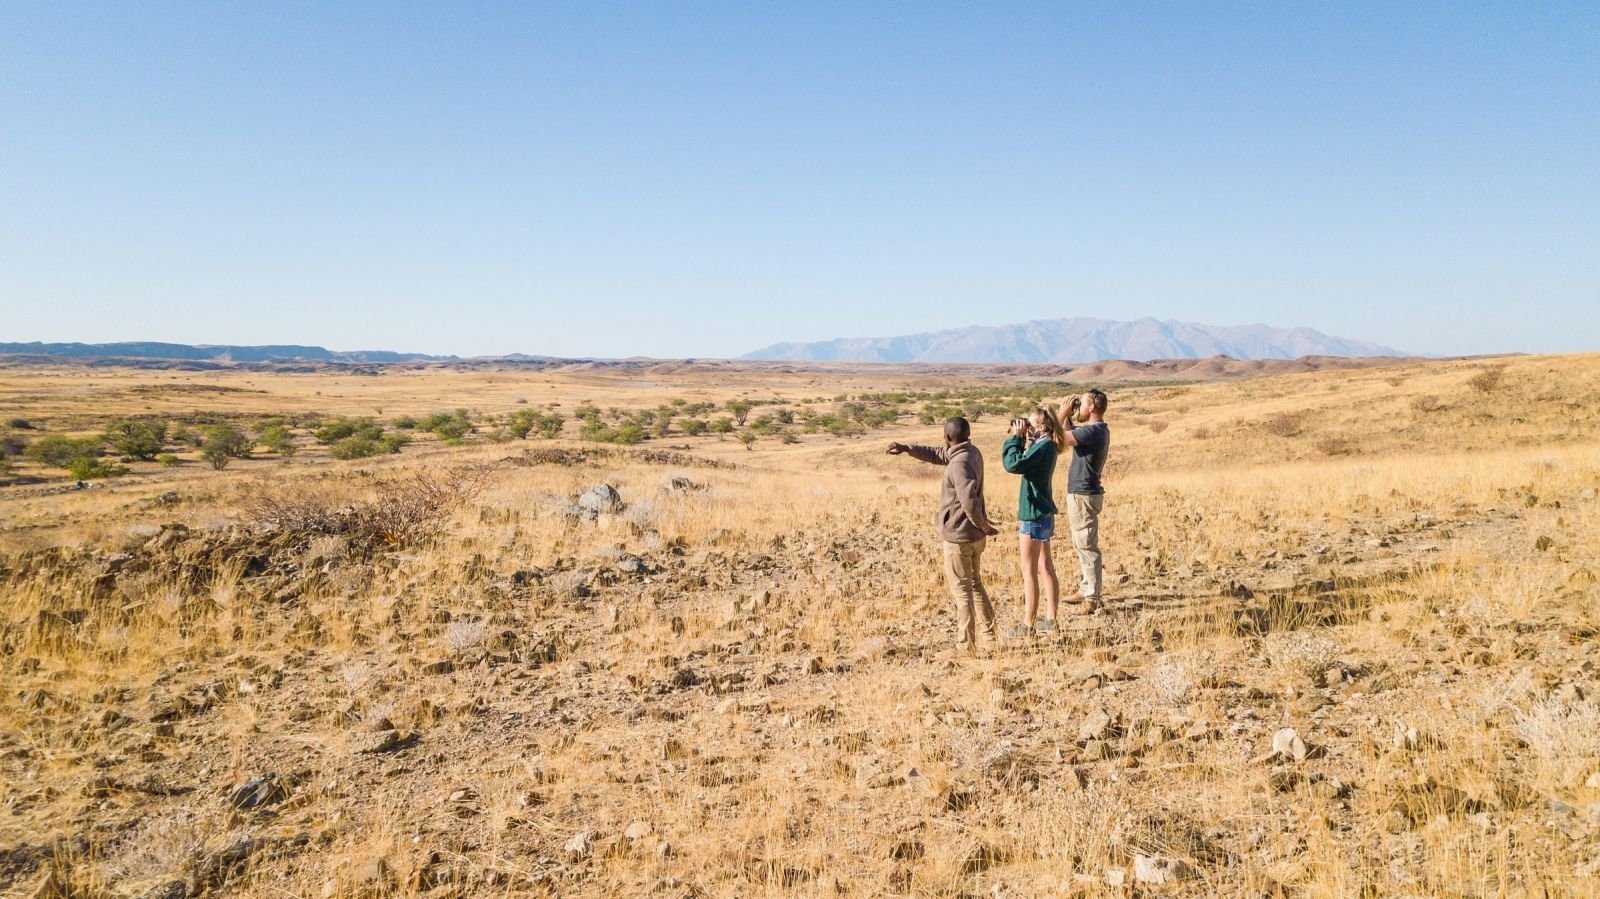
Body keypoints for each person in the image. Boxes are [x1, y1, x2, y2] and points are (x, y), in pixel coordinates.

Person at [887, 417, 1001, 657]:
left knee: (962, 591)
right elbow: (939, 454)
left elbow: (969, 501)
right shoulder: (971, 452)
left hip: (960, 536)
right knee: (975, 585)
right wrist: (909, 449)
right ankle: (991, 638)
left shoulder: (958, 464)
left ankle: (965, 646)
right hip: (974, 535)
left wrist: (983, 524)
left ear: (948, 437)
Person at [1001, 405, 1066, 637]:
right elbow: (1028, 462)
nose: (1026, 427)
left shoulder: (1043, 447)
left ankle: (1028, 624)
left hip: (1033, 513)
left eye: (1029, 424)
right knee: (1045, 566)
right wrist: (1027, 442)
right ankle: (1050, 618)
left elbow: (1013, 464)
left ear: (1041, 425)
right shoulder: (1046, 445)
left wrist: (1015, 440)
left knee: (1029, 570)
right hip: (1044, 512)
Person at [1056, 389, 1110, 610]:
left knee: (1086, 545)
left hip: (1084, 495)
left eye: (1083, 404)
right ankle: (1087, 587)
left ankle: (1092, 598)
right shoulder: (1095, 431)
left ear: (1092, 408)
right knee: (1082, 543)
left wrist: (1060, 414)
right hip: (1085, 493)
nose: (1080, 408)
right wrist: (1068, 416)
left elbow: (1058, 438)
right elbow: (1071, 433)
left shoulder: (1093, 432)